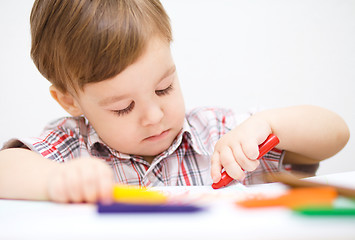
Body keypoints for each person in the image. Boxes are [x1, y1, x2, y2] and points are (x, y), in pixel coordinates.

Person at [0, 0, 349, 204]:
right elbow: (6, 169)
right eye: (123, 107)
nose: (154, 116)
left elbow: (336, 134)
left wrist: (271, 126)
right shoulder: (72, 147)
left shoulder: (219, 134)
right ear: (69, 100)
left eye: (164, 88)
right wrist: (54, 182)